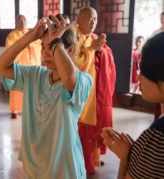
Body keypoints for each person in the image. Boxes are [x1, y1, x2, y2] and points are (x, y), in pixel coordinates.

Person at [0, 15, 92, 179]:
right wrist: (30, 36)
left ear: (67, 50)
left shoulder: (83, 80)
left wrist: (56, 43)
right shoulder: (34, 75)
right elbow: (0, 67)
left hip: (65, 168)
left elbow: (69, 79)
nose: (46, 53)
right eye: (43, 47)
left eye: (52, 48)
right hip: (36, 166)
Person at [102, 32, 164, 179]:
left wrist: (126, 159)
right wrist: (134, 153)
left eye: (144, 70)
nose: (139, 76)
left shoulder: (157, 138)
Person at [73, 6, 108, 174]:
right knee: (79, 128)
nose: (94, 22)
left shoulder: (91, 37)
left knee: (91, 128)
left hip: (93, 90)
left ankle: (91, 160)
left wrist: (101, 50)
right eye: (90, 19)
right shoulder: (72, 36)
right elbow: (73, 65)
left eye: (95, 19)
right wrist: (92, 49)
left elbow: (101, 59)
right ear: (79, 20)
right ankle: (79, 163)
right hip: (78, 92)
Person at [4, 15, 41, 119]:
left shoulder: (30, 33)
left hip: (31, 65)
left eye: (24, 20)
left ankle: (30, 109)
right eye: (19, 20)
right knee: (17, 90)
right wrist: (24, 45)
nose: (22, 22)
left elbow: (37, 44)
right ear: (16, 22)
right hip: (19, 67)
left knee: (31, 90)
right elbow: (10, 50)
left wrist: (29, 45)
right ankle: (14, 110)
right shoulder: (12, 35)